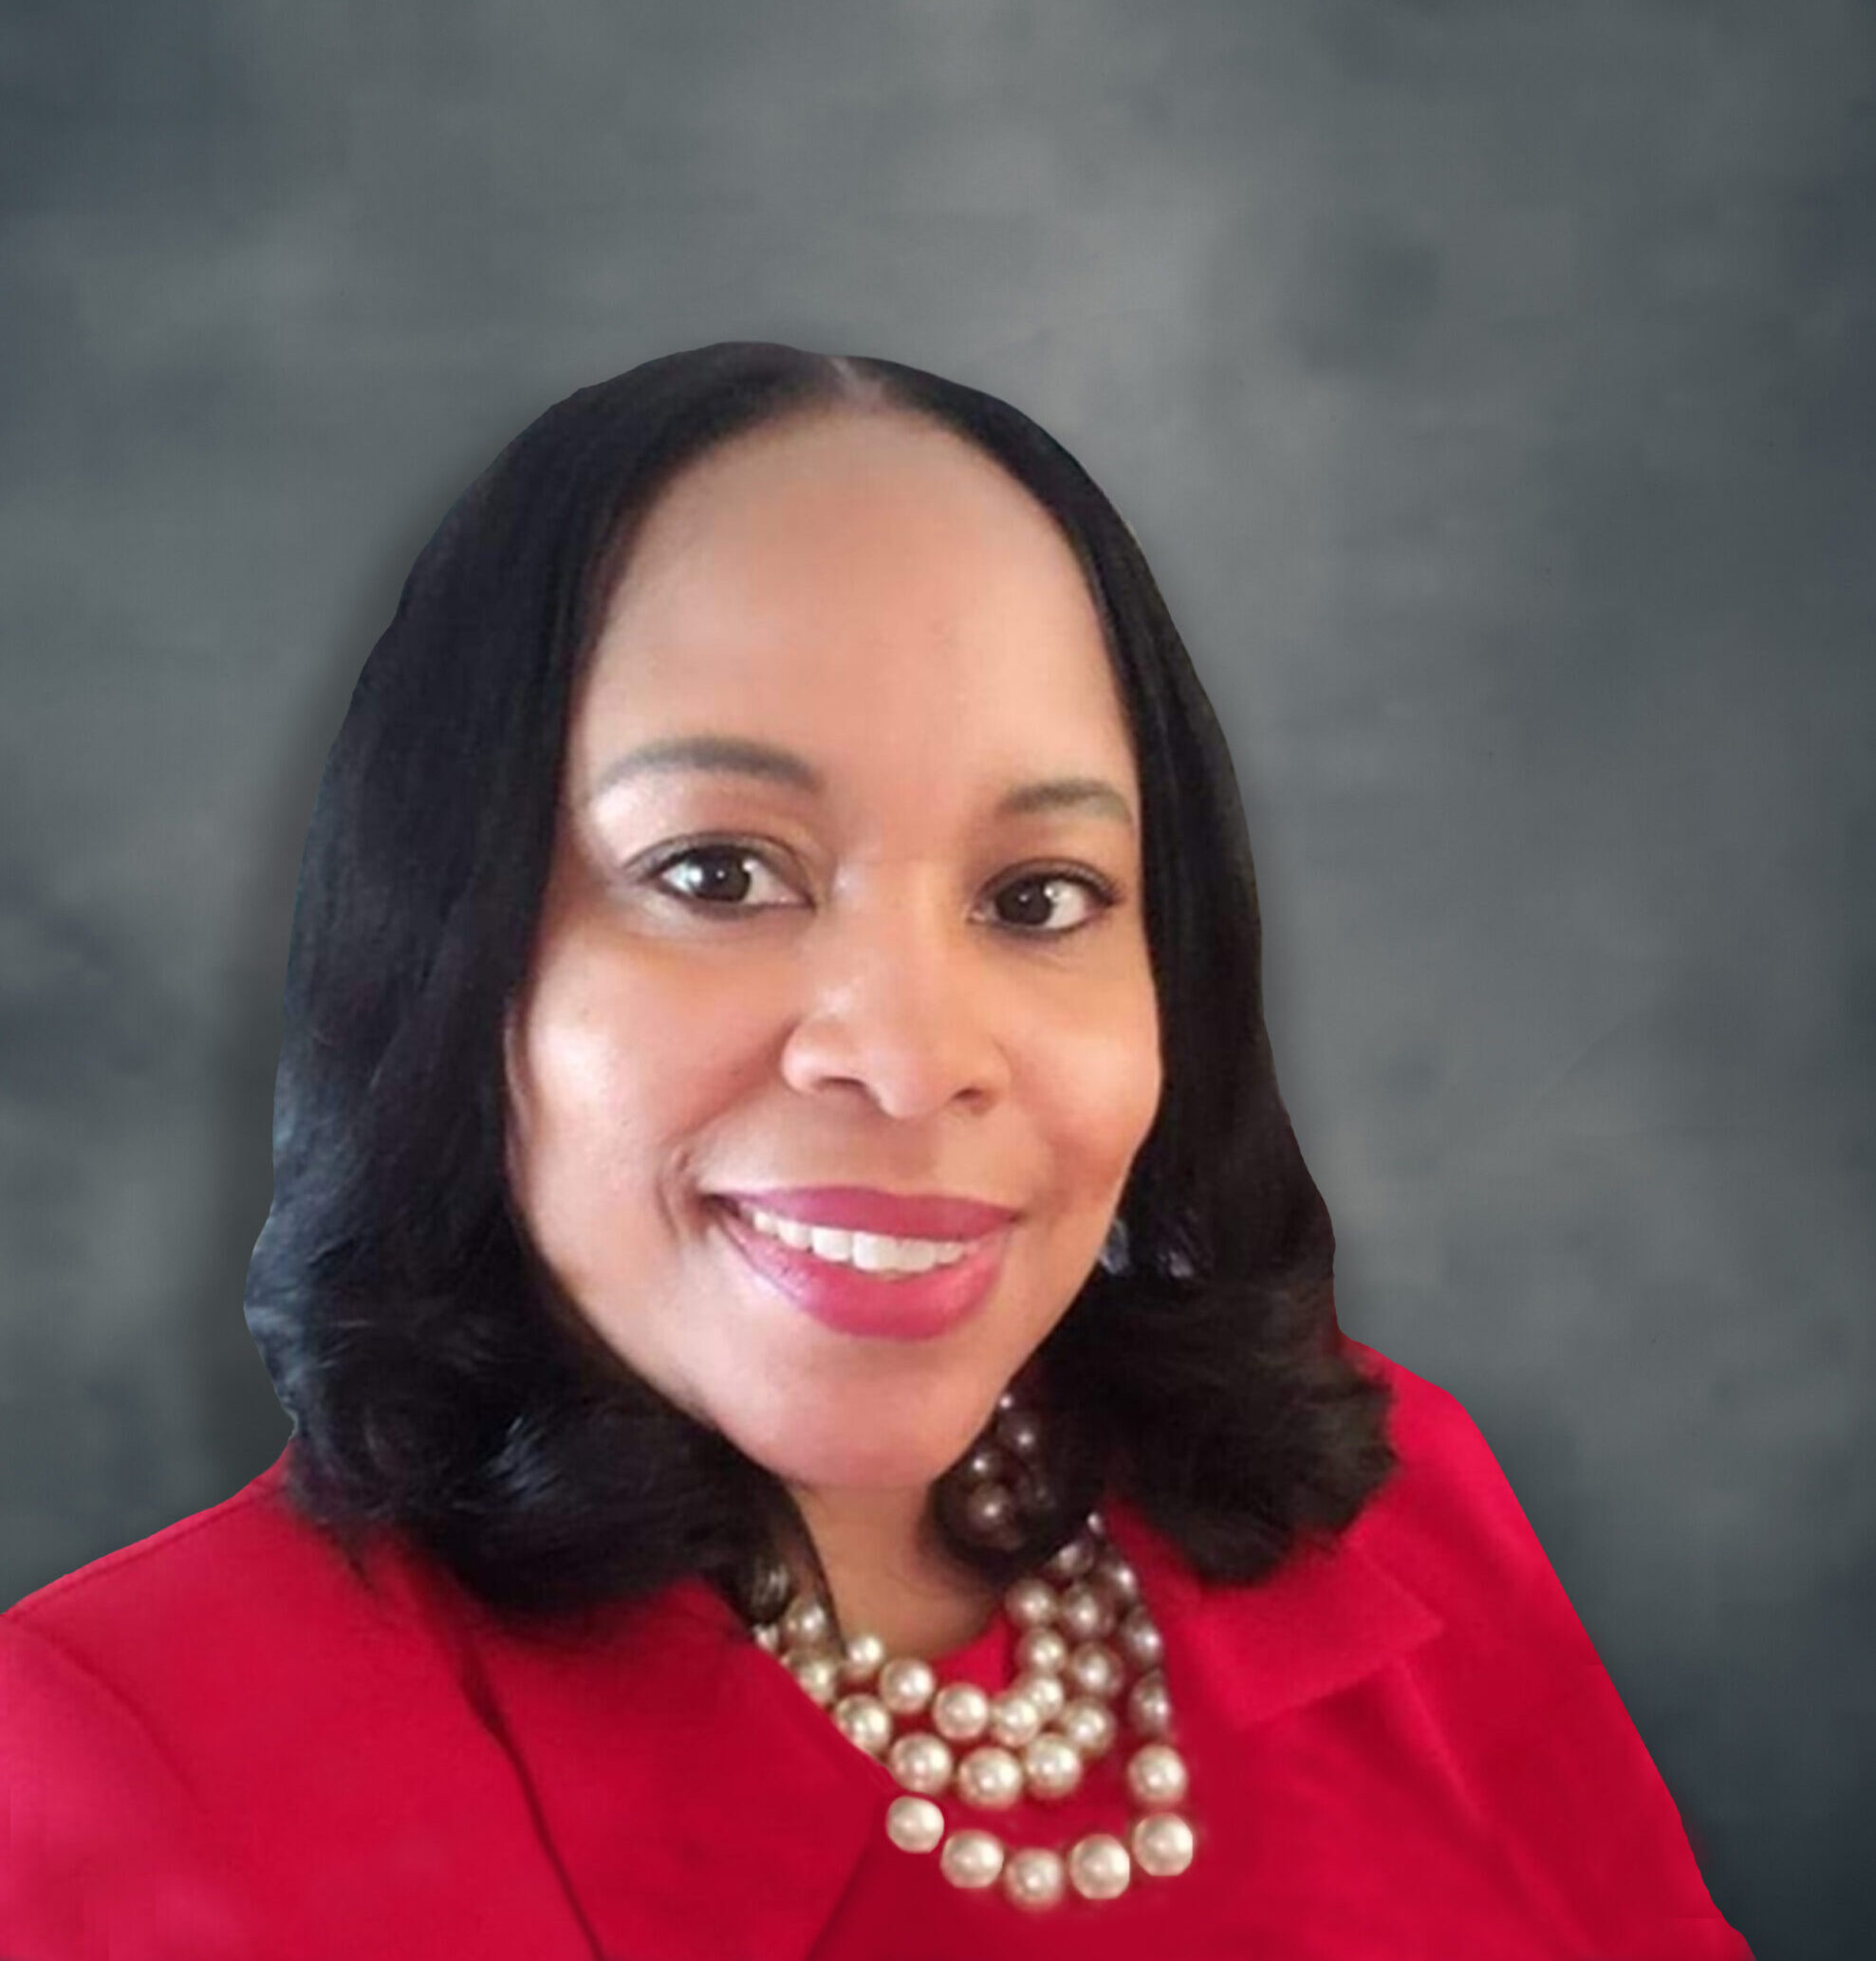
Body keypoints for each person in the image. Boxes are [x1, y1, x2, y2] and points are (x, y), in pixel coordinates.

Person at [1, 343, 1752, 1959]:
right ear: (449, 959)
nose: (913, 1061)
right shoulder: (107, 1759)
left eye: (1038, 897)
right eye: (716, 873)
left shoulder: (1396, 1511)